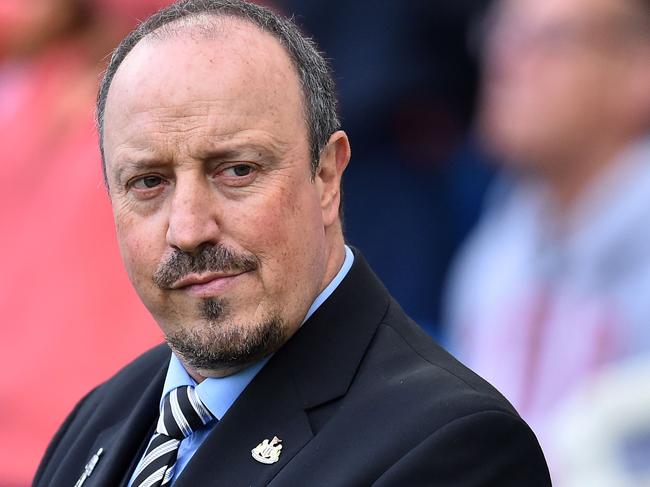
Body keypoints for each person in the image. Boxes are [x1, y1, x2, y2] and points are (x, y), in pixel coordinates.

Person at [34, 1, 550, 485]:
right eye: (148, 182)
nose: (188, 229)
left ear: (326, 176)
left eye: (236, 170)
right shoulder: (98, 418)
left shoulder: (454, 447)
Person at [445, 0, 650, 480]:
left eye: (551, 41)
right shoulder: (496, 248)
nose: (505, 63)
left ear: (639, 71)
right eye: (501, 35)